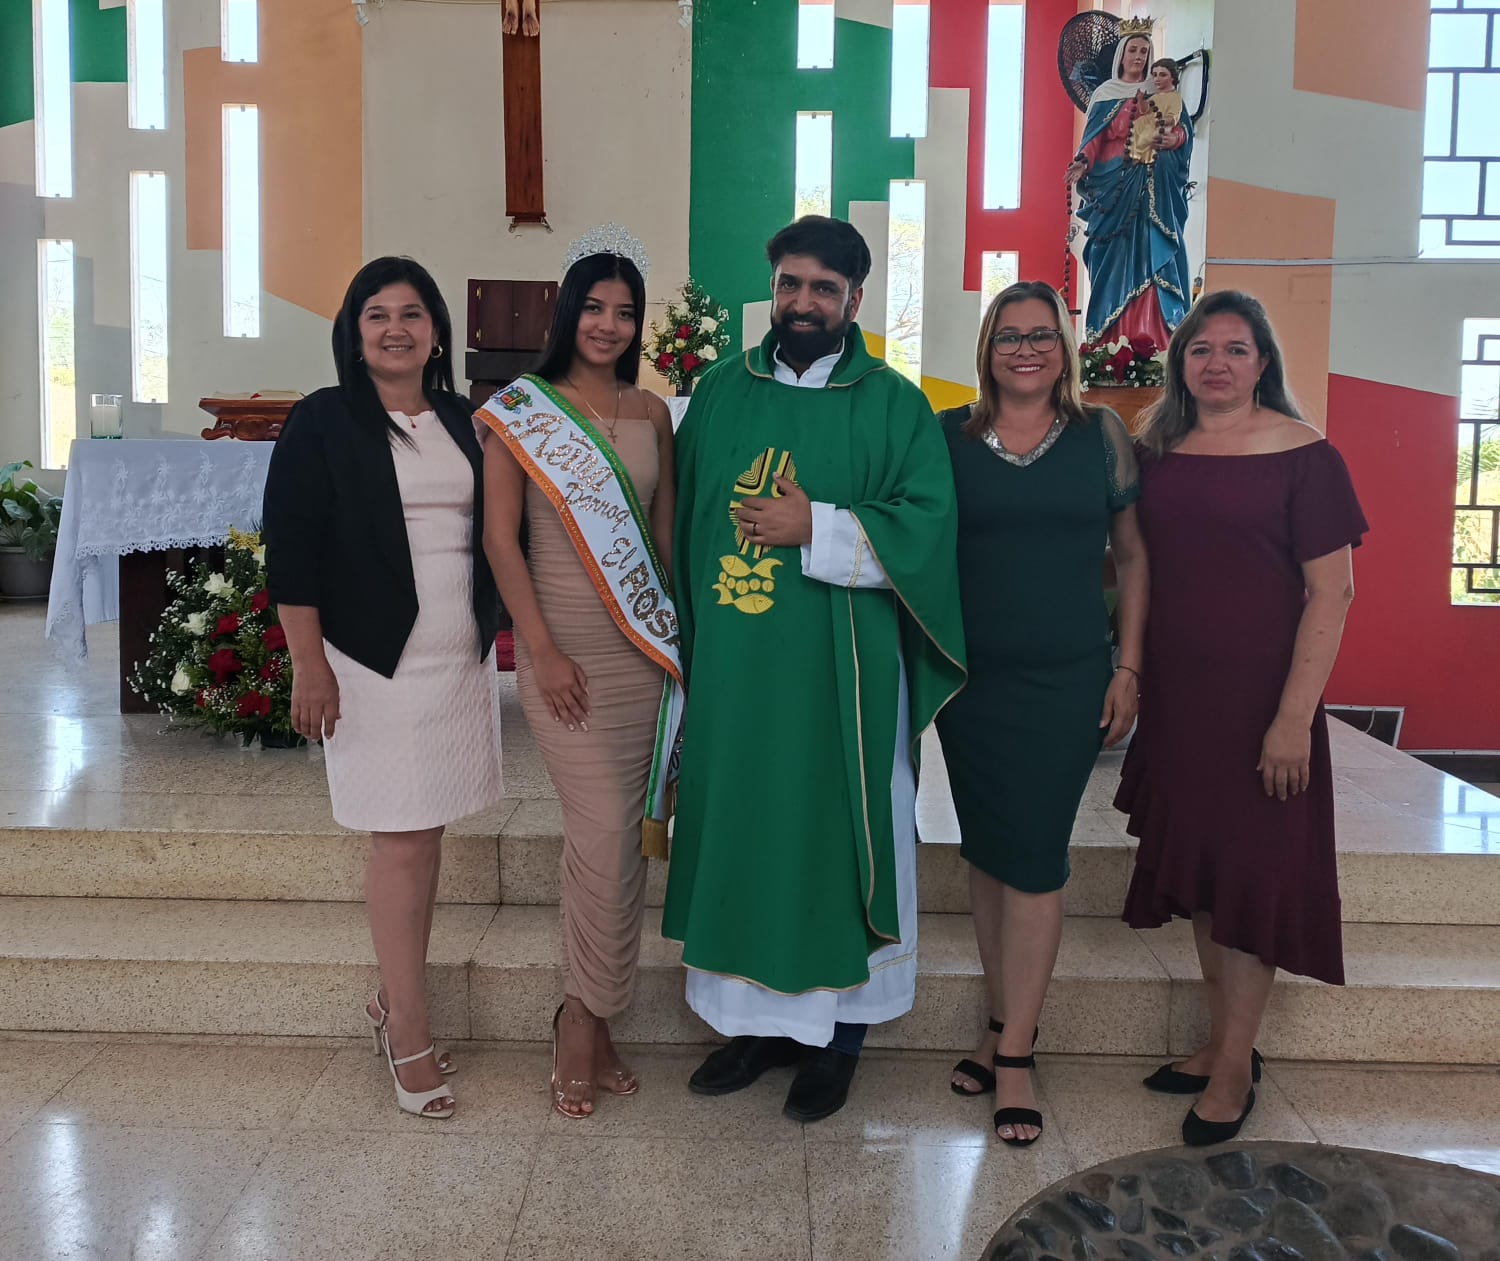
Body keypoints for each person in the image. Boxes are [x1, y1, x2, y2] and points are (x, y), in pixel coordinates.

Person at [663, 215, 967, 1124]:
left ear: (856, 300)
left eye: (824, 289)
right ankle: (753, 1027)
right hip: (738, 669)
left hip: (849, 674)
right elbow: (684, 523)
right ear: (773, 288)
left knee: (836, 833)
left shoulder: (894, 403)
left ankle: (840, 1040)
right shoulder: (721, 391)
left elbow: (928, 528)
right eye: (790, 284)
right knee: (748, 827)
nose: (803, 303)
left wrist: (818, 528)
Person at [1116, 290, 1367, 1145]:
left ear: (1263, 363)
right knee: (1203, 876)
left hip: (1262, 705)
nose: (1216, 363)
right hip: (1182, 705)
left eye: (1235, 349)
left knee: (1252, 880)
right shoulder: (1158, 454)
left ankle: (1232, 1069)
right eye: (1201, 349)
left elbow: (1332, 592)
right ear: (1180, 362)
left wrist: (1294, 718)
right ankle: (1222, 1041)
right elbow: (1137, 565)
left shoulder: (1306, 456)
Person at [263, 256, 503, 1120]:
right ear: (354, 332)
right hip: (371, 658)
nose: (395, 328)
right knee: (399, 840)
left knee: (425, 836)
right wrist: (309, 662)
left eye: (411, 313)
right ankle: (407, 1025)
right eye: (377, 315)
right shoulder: (324, 419)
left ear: (436, 330)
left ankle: (393, 997)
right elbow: (291, 546)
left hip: (458, 655)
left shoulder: (465, 418)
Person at [937, 281, 1148, 1146]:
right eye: (1009, 335)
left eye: (1041, 335)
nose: (1025, 349)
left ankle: (1018, 1052)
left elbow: (1132, 555)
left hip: (1065, 679)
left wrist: (1128, 664)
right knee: (988, 855)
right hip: (969, 685)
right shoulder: (948, 436)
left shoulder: (1102, 436)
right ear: (986, 347)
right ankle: (1000, 1020)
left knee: (1033, 859)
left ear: (1065, 348)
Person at [478, 235, 679, 1120]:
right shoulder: (522, 412)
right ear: (569, 313)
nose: (609, 324)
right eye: (594, 307)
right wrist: (541, 648)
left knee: (627, 842)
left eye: (625, 312)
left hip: (642, 657)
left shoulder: (653, 412)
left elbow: (663, 540)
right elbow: (500, 541)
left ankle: (595, 1020)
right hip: (563, 656)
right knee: (600, 833)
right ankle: (576, 1019)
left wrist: (682, 645)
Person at [1065, 21, 1193, 349]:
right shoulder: (1105, 95)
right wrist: (1082, 162)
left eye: (1145, 51)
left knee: (1154, 252)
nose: (1139, 57)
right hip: (1114, 190)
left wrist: (1175, 139)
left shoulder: (1161, 93)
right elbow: (1094, 139)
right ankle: (1109, 342)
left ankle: (1158, 340)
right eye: (1133, 50)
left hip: (1154, 191)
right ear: (1121, 55)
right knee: (1112, 260)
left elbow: (1183, 130)